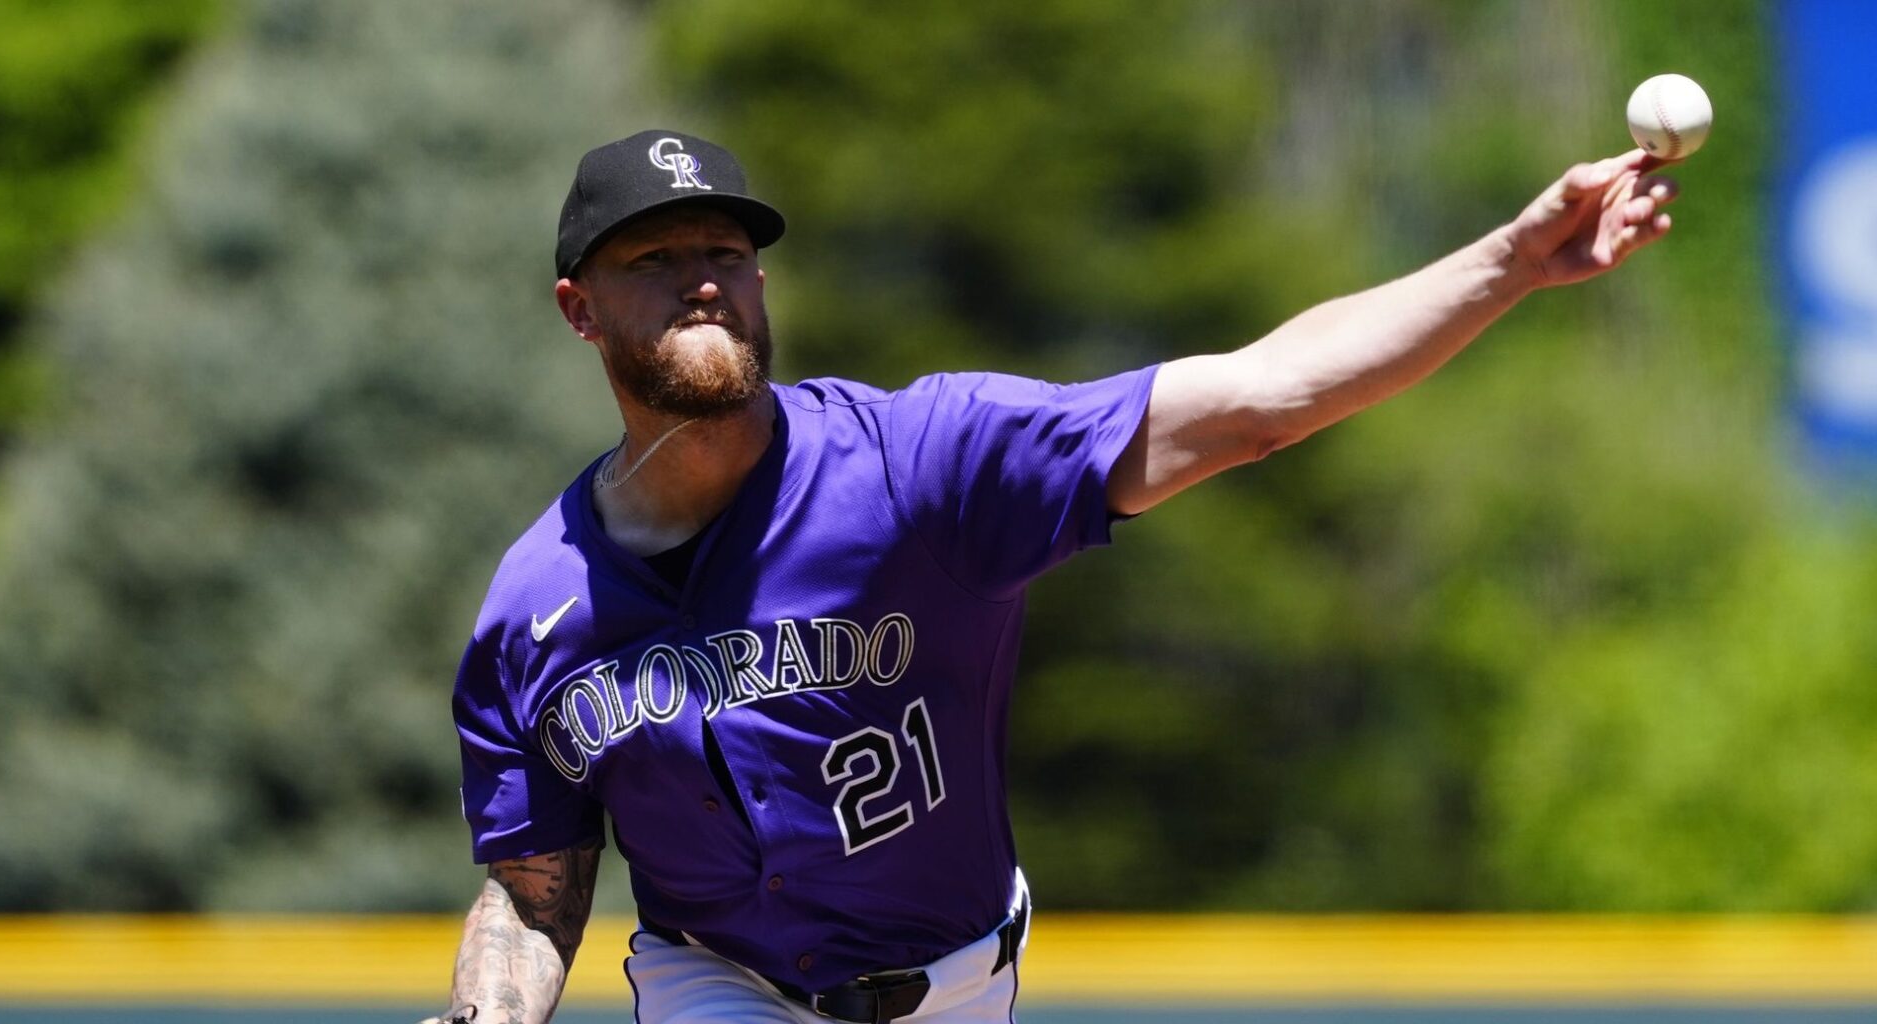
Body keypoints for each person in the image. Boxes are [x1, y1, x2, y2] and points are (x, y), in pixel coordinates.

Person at [423, 128, 1678, 1024]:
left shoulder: (922, 465)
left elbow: (1258, 400)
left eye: (728, 249)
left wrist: (1509, 262)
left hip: (957, 978)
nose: (705, 272)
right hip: (719, 984)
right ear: (579, 311)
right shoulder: (536, 608)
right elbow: (537, 891)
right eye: (654, 256)